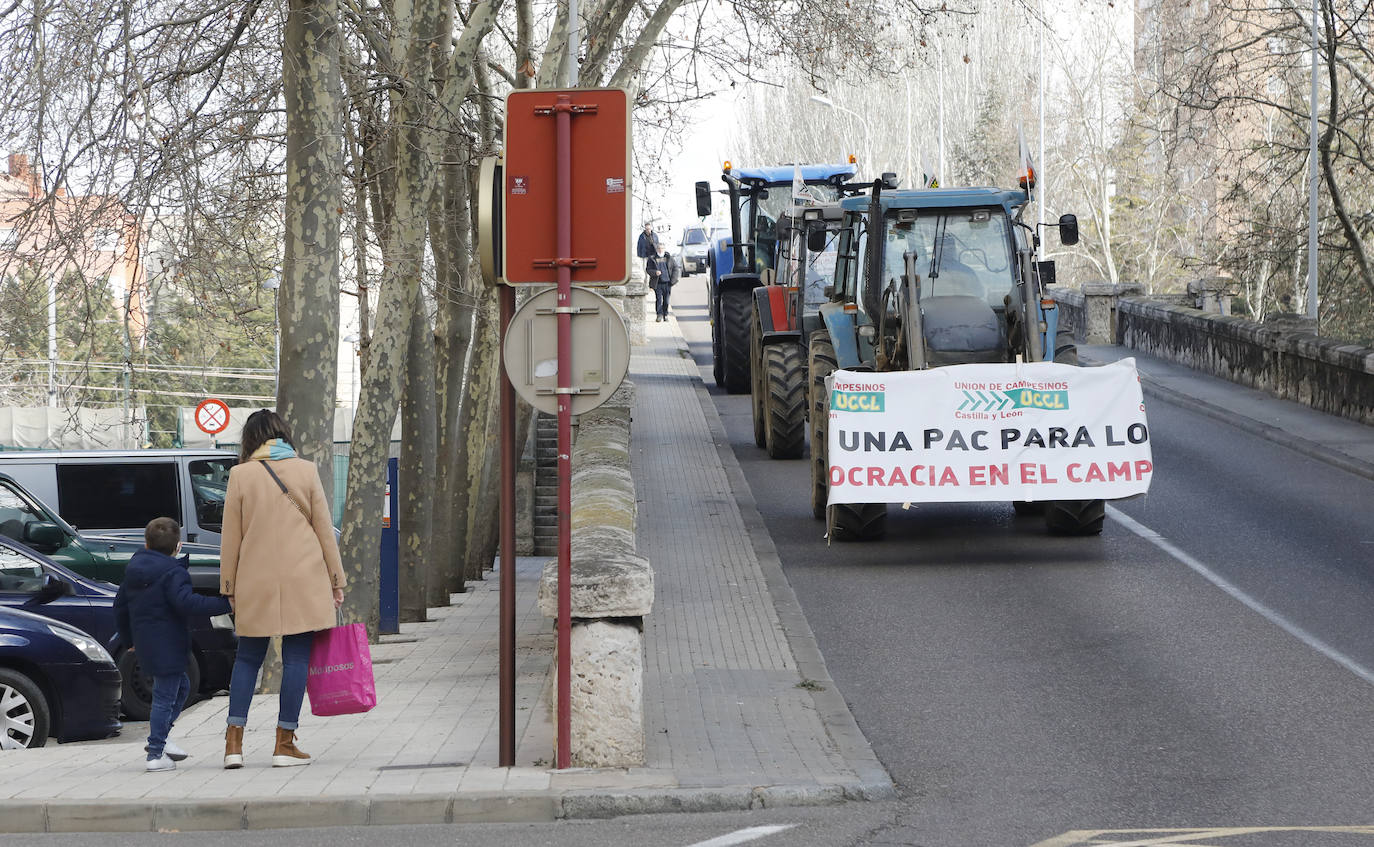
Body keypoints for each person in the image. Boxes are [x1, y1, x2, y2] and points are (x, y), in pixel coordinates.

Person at [220, 409, 346, 769]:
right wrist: (336, 581)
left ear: (251, 439)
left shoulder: (240, 476)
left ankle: (233, 744)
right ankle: (284, 743)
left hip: (254, 580)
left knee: (247, 659)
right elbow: (324, 529)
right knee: (296, 660)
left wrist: (228, 585)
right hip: (303, 579)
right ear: (282, 435)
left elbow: (231, 537)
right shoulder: (305, 470)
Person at [113, 517, 232, 772]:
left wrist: (129, 639)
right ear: (178, 546)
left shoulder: (133, 570)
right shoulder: (173, 572)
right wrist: (227, 604)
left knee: (181, 688)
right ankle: (155, 752)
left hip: (146, 644)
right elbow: (187, 603)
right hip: (169, 644)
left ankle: (162, 739)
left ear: (146, 544)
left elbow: (120, 607)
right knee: (165, 696)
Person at [649, 244, 673, 322]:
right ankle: (659, 315)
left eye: (662, 248)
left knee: (666, 300)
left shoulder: (669, 258)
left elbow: (675, 268)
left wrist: (673, 280)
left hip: (667, 283)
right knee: (659, 299)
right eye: (659, 248)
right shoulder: (652, 258)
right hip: (657, 283)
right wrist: (655, 272)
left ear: (664, 249)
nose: (660, 250)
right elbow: (648, 269)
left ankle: (665, 314)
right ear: (657, 249)